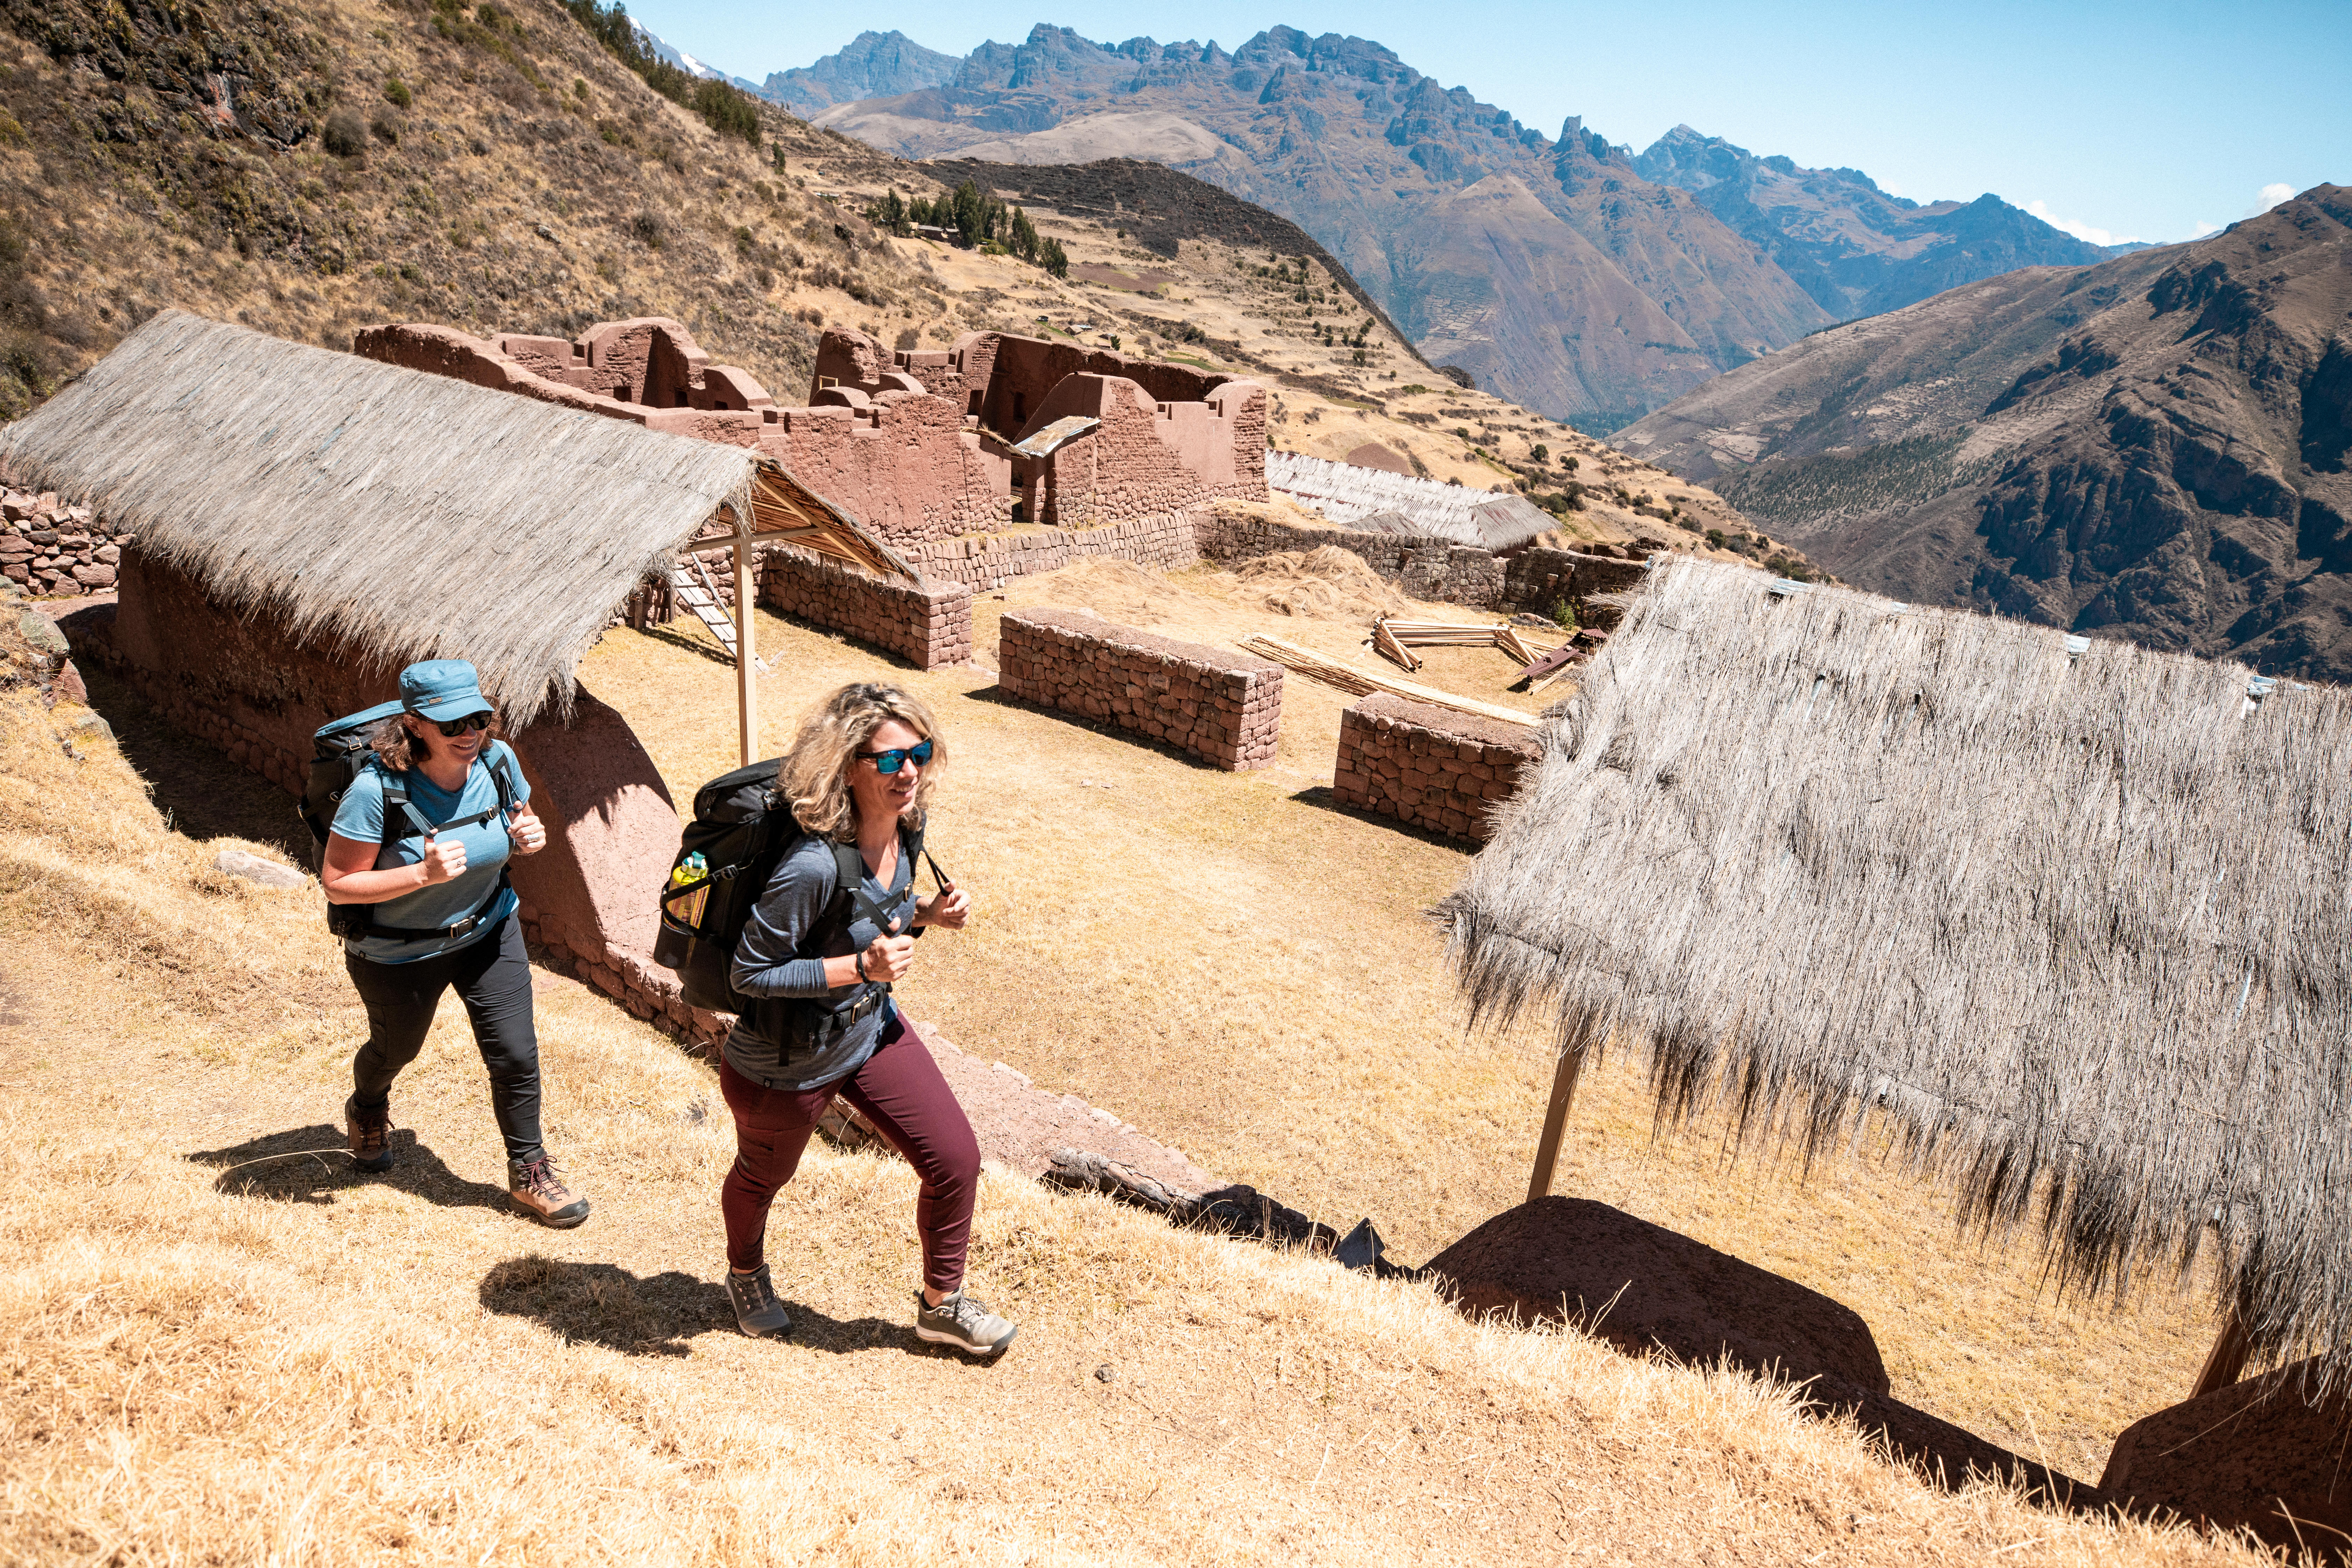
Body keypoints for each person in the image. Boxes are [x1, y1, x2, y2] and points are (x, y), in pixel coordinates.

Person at [719, 681, 1013, 1356]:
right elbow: (750, 974)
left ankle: (942, 1306)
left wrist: (927, 916)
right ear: (850, 766)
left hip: (869, 1031)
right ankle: (745, 1272)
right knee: (762, 1178)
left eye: (918, 752)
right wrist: (862, 969)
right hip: (783, 1064)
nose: (906, 771)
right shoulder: (810, 867)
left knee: (955, 1160)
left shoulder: (909, 832)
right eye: (887, 759)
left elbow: (873, 919)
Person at [318, 658, 588, 1229]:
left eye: (480, 720)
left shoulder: (497, 758)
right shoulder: (375, 792)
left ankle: (530, 1171)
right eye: (453, 725)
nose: (470, 734)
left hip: (489, 928)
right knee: (396, 1052)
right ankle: (367, 1108)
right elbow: (339, 884)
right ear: (415, 725)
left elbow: (517, 814)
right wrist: (422, 875)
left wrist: (530, 833)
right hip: (399, 953)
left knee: (516, 1054)